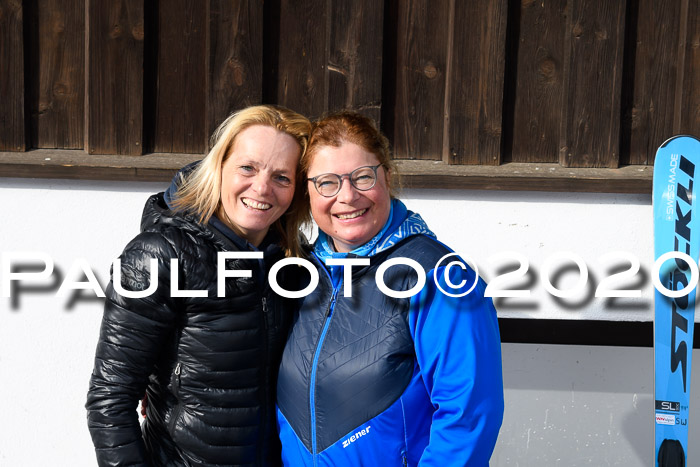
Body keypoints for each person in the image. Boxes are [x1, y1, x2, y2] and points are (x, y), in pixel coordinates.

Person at [86, 105, 311, 466]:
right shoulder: (161, 255)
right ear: (218, 166)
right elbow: (110, 399)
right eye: (247, 168)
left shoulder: (293, 264)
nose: (262, 188)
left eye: (282, 177)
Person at [276, 111, 504, 466]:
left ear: (388, 177)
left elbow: (468, 417)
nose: (347, 196)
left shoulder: (439, 279)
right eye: (327, 183)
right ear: (307, 191)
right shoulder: (299, 274)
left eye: (363, 177)